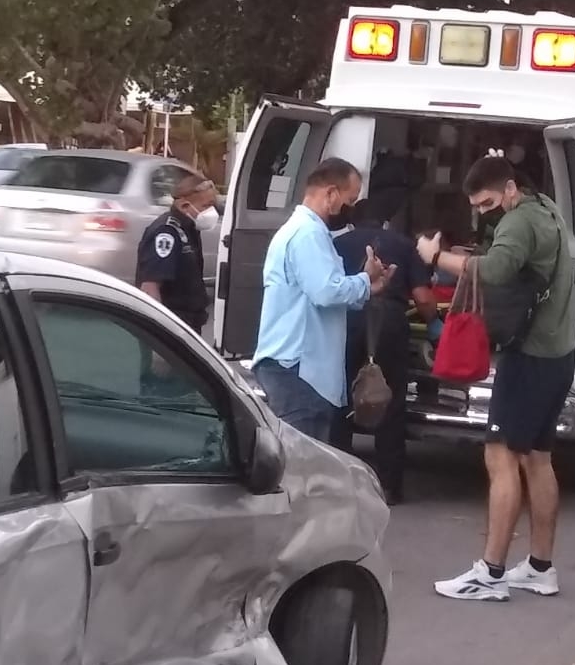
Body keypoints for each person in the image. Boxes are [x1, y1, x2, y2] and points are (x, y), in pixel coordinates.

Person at [416, 155, 575, 601]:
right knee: (538, 458)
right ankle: (540, 567)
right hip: (557, 353)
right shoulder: (546, 208)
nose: (485, 213)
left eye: (488, 203)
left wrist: (437, 257)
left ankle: (490, 573)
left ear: (509, 188)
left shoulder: (520, 222)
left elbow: (499, 269)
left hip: (528, 357)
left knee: (500, 457)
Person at [252, 158, 395, 441]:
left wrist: (367, 286)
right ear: (330, 193)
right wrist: (365, 281)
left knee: (306, 463)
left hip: (301, 369)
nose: (350, 208)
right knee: (301, 464)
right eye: (349, 199)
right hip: (298, 368)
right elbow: (326, 292)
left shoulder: (310, 232)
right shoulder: (307, 234)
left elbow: (328, 291)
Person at [332, 197, 442, 502]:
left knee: (342, 401)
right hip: (389, 325)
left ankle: (341, 483)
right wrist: (435, 325)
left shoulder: (338, 243)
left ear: (352, 221)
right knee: (390, 404)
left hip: (346, 323)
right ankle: (389, 486)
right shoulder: (403, 244)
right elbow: (422, 296)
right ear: (385, 222)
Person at [136, 174, 218, 332]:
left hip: (188, 324)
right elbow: (150, 287)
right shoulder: (166, 232)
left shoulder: (188, 228)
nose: (211, 211)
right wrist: (161, 330)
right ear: (184, 206)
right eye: (206, 205)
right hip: (173, 326)